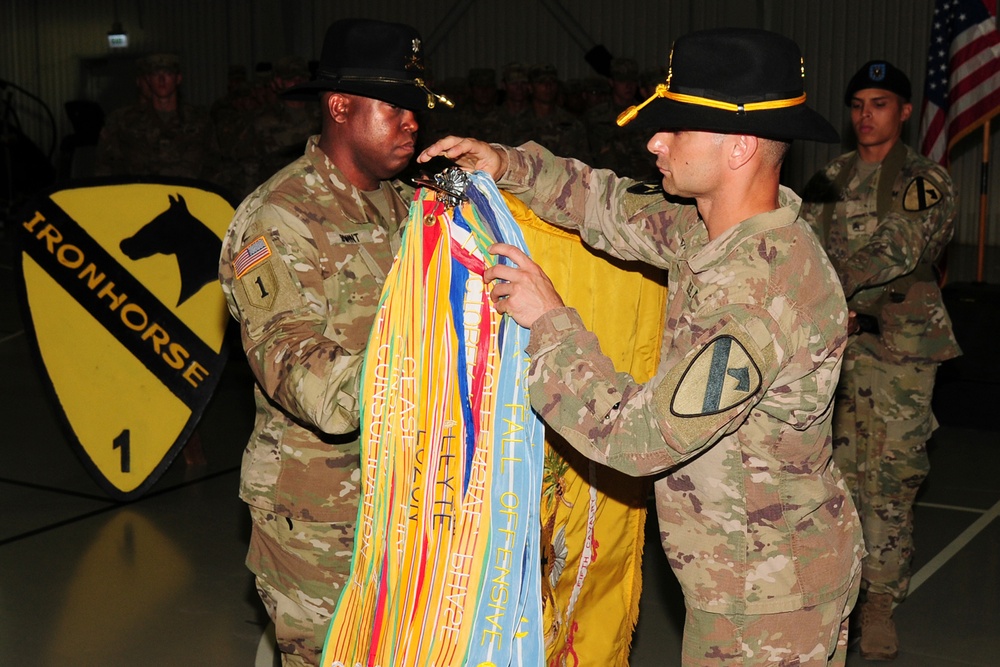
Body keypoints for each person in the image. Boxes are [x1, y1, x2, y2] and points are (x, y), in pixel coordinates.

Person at [420, 27, 864, 666]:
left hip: (769, 602)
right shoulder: (715, 231)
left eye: (675, 128)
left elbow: (637, 439)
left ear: (738, 146)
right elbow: (610, 206)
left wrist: (549, 322)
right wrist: (506, 163)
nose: (655, 140)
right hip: (742, 574)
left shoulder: (762, 294)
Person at [218, 19, 445, 666]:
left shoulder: (406, 205)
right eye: (394, 107)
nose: (411, 123)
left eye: (415, 109)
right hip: (319, 516)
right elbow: (308, 381)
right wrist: (438, 363)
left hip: (409, 497)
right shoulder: (278, 219)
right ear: (340, 106)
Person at [799, 60, 961, 662]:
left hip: (899, 353)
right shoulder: (828, 178)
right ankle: (836, 594)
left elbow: (899, 247)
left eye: (881, 104)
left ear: (905, 111)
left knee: (890, 480)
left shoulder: (924, 181)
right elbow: (801, 242)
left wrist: (821, 286)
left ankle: (879, 605)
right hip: (834, 349)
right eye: (859, 104)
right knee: (831, 478)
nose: (866, 116)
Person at [94, 53, 218, 180]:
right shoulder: (123, 121)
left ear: (178, 78)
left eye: (168, 73)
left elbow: (215, 166)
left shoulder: (199, 121)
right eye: (155, 74)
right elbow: (104, 168)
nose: (162, 79)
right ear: (148, 80)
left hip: (189, 196)